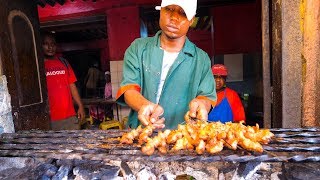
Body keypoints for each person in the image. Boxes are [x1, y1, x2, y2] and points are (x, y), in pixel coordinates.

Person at [116, 0, 216, 129]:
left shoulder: (201, 59)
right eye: (169, 9)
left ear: (191, 20)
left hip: (182, 137)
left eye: (183, 13)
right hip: (141, 132)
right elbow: (129, 88)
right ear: (160, 11)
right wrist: (143, 105)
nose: (174, 17)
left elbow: (207, 96)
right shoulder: (138, 48)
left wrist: (202, 104)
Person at [42, 32, 85, 130]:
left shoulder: (64, 62)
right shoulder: (39, 66)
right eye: (46, 44)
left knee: (74, 144)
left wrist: (80, 106)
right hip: (50, 119)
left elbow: (72, 86)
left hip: (70, 117)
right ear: (41, 46)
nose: (50, 47)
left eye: (53, 44)